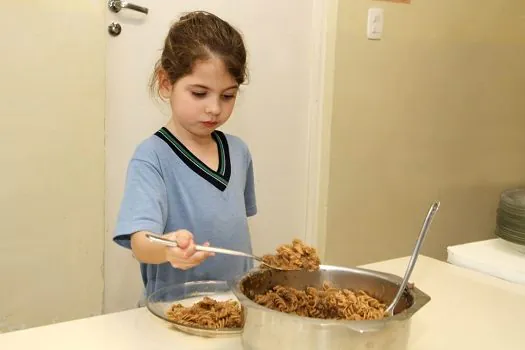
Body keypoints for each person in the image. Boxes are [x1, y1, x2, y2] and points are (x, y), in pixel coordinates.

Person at [113, 11, 257, 300]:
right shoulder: (151, 157)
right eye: (199, 93)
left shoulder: (239, 152)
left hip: (236, 306)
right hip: (173, 310)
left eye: (227, 96)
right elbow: (140, 244)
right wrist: (167, 248)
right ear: (166, 83)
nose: (214, 108)